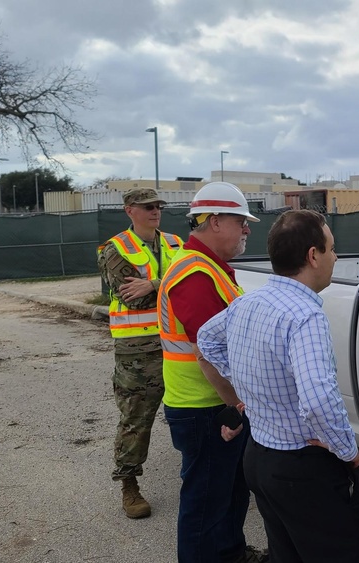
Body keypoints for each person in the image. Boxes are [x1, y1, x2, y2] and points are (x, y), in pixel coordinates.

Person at [196, 210, 359, 563]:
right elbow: (317, 397)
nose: (336, 257)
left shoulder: (248, 302)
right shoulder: (304, 316)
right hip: (302, 468)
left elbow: (207, 340)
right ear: (313, 256)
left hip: (260, 458)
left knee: (287, 553)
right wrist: (347, 450)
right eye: (332, 249)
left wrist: (248, 393)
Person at [157, 181, 265, 563]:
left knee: (231, 492)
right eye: (242, 221)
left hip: (215, 404)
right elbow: (209, 353)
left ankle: (231, 553)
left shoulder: (211, 267)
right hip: (205, 408)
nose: (247, 230)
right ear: (216, 221)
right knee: (205, 502)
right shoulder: (195, 273)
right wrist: (235, 405)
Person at [96, 188, 183, 519]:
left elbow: (192, 283)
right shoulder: (116, 249)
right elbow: (133, 297)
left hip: (177, 343)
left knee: (194, 411)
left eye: (158, 206)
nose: (155, 211)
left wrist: (154, 283)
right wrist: (164, 285)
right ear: (129, 210)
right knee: (137, 417)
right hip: (137, 349)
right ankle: (129, 485)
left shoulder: (177, 243)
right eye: (148, 207)